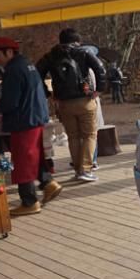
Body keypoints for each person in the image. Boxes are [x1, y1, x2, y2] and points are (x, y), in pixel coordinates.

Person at [0, 37, 62, 216]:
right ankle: (48, 183)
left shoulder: (13, 70)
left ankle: (29, 201)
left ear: (9, 52)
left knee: (23, 161)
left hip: (23, 120)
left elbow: (10, 101)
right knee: (34, 155)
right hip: (35, 117)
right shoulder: (27, 65)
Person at [36, 28, 105, 182]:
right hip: (84, 100)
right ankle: (86, 169)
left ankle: (77, 170)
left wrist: (48, 93)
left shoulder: (50, 55)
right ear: (77, 41)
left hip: (63, 102)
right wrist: (99, 89)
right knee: (89, 135)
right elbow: (100, 69)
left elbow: (36, 73)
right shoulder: (83, 52)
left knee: (73, 137)